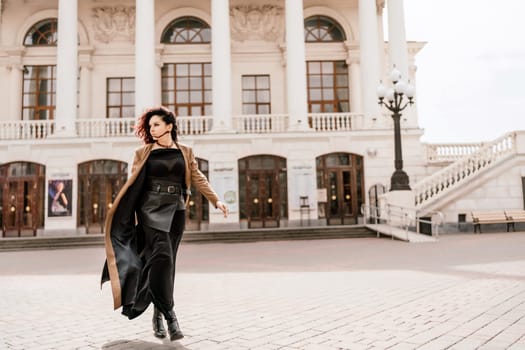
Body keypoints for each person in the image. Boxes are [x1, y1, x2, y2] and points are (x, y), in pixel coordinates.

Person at [101, 106, 228, 341]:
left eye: (157, 124)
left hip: (176, 210)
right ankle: (171, 315)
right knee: (163, 257)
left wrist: (216, 200)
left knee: (166, 264)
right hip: (150, 209)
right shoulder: (143, 152)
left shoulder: (186, 151)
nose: (152, 129)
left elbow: (198, 177)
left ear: (169, 126)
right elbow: (134, 184)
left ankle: (157, 314)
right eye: (150, 126)